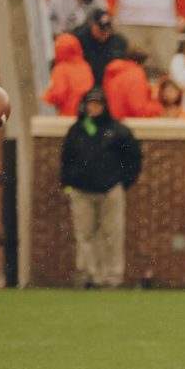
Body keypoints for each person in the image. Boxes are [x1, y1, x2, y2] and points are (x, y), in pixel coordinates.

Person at [60, 89, 143, 289]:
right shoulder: (77, 130)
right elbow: (66, 159)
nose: (93, 108)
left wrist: (123, 182)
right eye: (90, 103)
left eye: (98, 104)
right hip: (81, 191)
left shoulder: (118, 131)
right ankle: (88, 274)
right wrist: (68, 185)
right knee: (85, 235)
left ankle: (112, 277)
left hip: (110, 190)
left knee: (112, 234)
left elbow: (134, 158)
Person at [44, 33, 96, 117]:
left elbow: (58, 93)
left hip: (68, 114)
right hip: (87, 114)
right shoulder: (85, 66)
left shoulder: (60, 69)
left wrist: (47, 97)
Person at [74, 9, 129, 87]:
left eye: (108, 28)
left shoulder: (117, 42)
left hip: (108, 85)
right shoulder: (81, 40)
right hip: (86, 84)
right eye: (101, 28)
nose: (105, 32)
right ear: (92, 25)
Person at [103, 48, 161, 119]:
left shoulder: (116, 72)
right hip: (127, 122)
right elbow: (138, 108)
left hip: (113, 120)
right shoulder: (136, 75)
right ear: (143, 62)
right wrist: (159, 107)